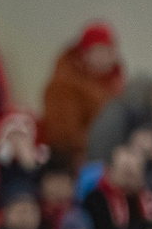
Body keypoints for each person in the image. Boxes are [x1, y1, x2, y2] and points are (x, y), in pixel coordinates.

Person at [41, 23, 124, 168]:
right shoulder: (64, 85)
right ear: (84, 53)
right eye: (98, 51)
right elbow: (64, 136)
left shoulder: (115, 83)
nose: (104, 57)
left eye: (108, 51)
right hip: (78, 164)